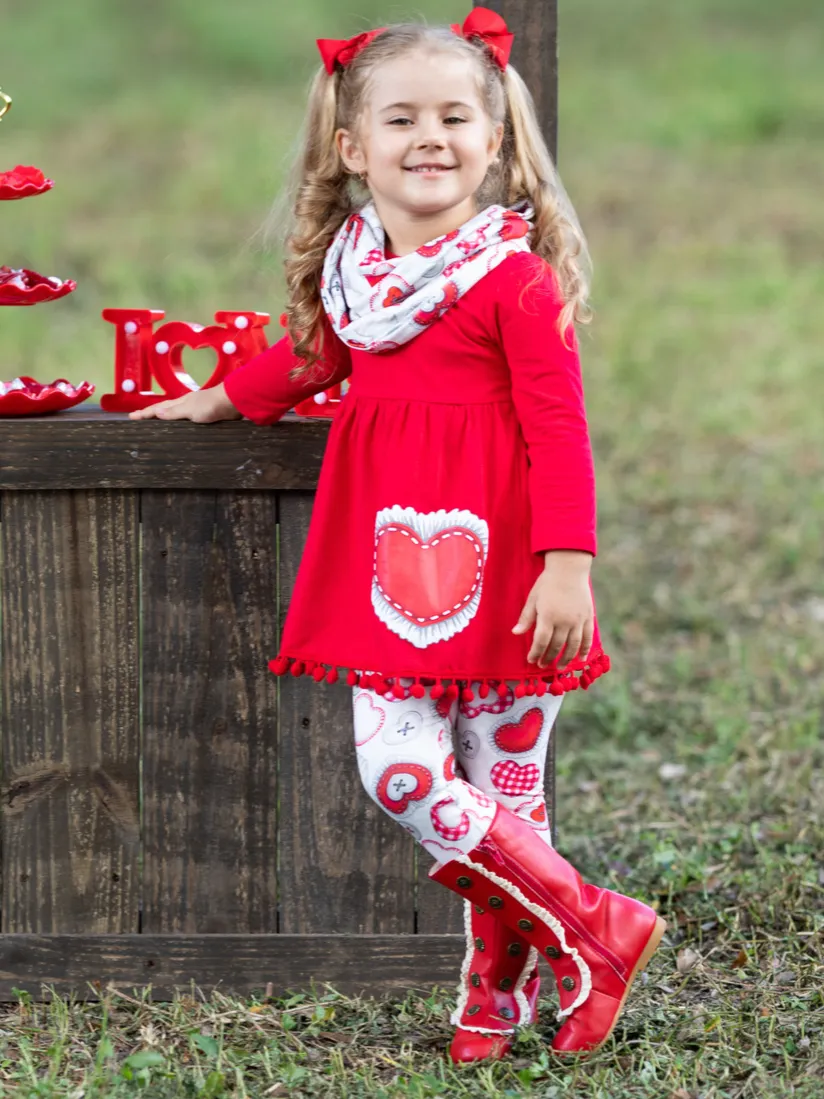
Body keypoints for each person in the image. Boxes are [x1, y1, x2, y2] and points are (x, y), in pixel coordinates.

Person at [130, 6, 665, 1064]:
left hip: (510, 571)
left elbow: (559, 429)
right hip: (391, 576)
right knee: (404, 774)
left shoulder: (511, 278)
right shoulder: (352, 272)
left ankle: (491, 1002)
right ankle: (593, 925)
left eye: (456, 117)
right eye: (402, 118)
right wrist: (223, 399)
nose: (430, 137)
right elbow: (312, 359)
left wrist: (566, 566)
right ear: (351, 148)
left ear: (495, 140)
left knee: (506, 796)